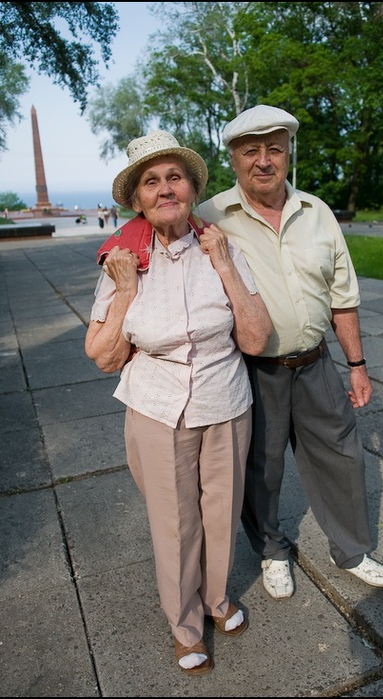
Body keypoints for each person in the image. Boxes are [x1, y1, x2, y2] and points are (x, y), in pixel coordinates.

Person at [85, 130, 272, 675]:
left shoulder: (221, 246)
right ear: (137, 198)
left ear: (191, 189)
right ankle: (185, 625)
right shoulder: (124, 260)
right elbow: (102, 355)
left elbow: (256, 339)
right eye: (152, 181)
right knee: (175, 522)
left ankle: (217, 602)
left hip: (225, 399)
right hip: (157, 403)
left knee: (220, 512)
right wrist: (124, 291)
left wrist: (226, 266)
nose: (165, 189)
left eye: (174, 178)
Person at [196, 104, 383, 599]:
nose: (263, 161)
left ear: (288, 153)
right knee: (260, 467)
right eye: (251, 151)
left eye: (274, 149)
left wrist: (357, 365)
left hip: (316, 363)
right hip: (252, 369)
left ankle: (351, 550)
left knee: (342, 455)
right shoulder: (210, 217)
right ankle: (271, 550)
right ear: (234, 159)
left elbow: (342, 296)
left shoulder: (317, 212)